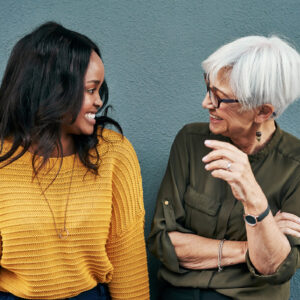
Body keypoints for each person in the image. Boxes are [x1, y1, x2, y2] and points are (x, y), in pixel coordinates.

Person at [0, 22, 149, 300]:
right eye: (91, 90)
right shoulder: (3, 160)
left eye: (99, 90)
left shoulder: (114, 153)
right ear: (53, 89)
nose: (98, 102)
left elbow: (128, 259)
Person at [148, 35, 300, 300]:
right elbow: (164, 241)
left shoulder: (295, 166)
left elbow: (273, 266)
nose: (207, 103)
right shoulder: (191, 142)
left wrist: (253, 195)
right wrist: (250, 247)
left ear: (262, 112)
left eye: (220, 98)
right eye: (208, 89)